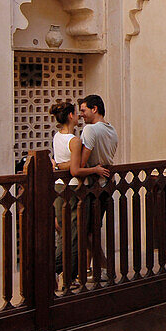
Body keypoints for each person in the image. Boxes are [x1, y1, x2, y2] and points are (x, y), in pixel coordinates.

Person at [49, 99, 109, 289]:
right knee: (74, 236)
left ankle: (61, 272)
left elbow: (63, 164)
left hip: (59, 187)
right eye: (76, 113)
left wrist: (58, 165)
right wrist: (95, 170)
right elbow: (76, 170)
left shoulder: (57, 137)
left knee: (64, 234)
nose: (78, 116)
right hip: (73, 189)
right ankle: (66, 275)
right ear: (70, 116)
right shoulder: (74, 141)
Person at [76, 94, 118, 275]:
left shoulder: (90, 130)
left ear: (95, 109)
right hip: (107, 185)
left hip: (93, 186)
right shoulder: (112, 130)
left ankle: (103, 265)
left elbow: (82, 163)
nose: (81, 115)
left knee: (86, 230)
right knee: (93, 228)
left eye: (84, 110)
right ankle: (88, 268)